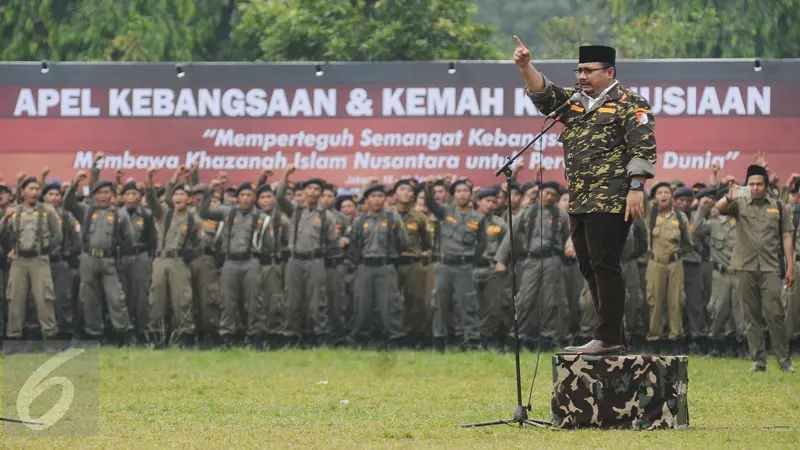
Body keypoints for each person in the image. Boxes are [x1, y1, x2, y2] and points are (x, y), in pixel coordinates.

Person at [513, 37, 656, 355]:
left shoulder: (631, 103)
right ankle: (612, 338)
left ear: (609, 72)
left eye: (588, 71)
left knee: (605, 264)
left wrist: (636, 189)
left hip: (612, 198)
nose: (581, 76)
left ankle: (607, 338)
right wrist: (525, 66)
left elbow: (642, 148)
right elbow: (543, 93)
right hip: (579, 199)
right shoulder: (574, 103)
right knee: (589, 267)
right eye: (578, 70)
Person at [715, 165, 795, 372]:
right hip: (744, 267)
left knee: (775, 314)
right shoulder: (739, 203)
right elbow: (719, 208)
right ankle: (758, 361)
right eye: (751, 184)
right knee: (751, 316)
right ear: (746, 185)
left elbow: (787, 235)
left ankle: (784, 361)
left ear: (767, 186)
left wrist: (790, 266)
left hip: (770, 268)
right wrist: (729, 196)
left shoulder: (778, 206)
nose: (755, 188)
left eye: (759, 184)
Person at [64, 172, 135, 346]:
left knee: (116, 298)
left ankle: (123, 333)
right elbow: (68, 203)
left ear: (112, 195)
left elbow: (128, 240)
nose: (103, 196)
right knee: (89, 299)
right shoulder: (86, 211)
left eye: (106, 192)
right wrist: (75, 183)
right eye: (99, 192)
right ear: (94, 195)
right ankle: (95, 333)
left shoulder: (120, 214)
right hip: (88, 259)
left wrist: (118, 257)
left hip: (109, 261)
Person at [199, 180, 268, 350]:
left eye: (249, 195)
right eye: (242, 195)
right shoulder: (227, 212)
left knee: (254, 301)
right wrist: (210, 191)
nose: (245, 198)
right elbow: (204, 212)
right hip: (230, 261)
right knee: (227, 301)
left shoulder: (262, 218)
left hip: (251, 261)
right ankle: (227, 337)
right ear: (237, 198)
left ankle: (256, 338)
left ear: (254, 199)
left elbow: (269, 243)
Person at [144, 167, 201, 348]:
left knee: (182, 300)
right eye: (176, 194)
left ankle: (184, 338)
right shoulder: (164, 214)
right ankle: (156, 338)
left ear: (189, 199)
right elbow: (151, 199)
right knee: (157, 300)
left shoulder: (193, 220)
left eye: (182, 194)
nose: (178, 197)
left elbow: (200, 242)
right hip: (161, 261)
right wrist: (149, 178)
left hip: (179, 262)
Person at [1, 177, 62, 344]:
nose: (34, 192)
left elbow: (57, 236)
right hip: (19, 261)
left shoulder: (47, 211)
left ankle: (49, 335)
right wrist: (5, 219)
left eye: (37, 189)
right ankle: (14, 337)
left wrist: (45, 250)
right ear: (23, 192)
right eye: (31, 189)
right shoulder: (14, 211)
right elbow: (3, 234)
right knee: (15, 299)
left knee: (45, 298)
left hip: (39, 260)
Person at [347, 184, 408, 348]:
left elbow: (403, 242)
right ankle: (361, 338)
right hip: (364, 266)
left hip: (386, 266)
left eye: (380, 196)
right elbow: (354, 243)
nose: (376, 200)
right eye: (373, 197)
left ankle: (395, 338)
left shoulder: (392, 218)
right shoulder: (360, 220)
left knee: (389, 304)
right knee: (362, 304)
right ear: (367, 200)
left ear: (385, 199)